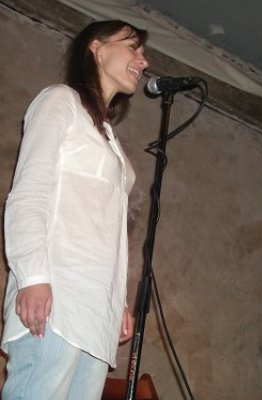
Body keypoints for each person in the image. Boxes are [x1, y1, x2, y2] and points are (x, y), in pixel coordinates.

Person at [1, 20, 149, 400]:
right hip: (58, 296)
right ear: (96, 48)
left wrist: (116, 301)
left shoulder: (108, 137)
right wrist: (33, 275)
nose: (143, 61)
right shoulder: (60, 100)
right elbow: (30, 190)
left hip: (94, 313)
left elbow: (103, 228)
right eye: (133, 47)